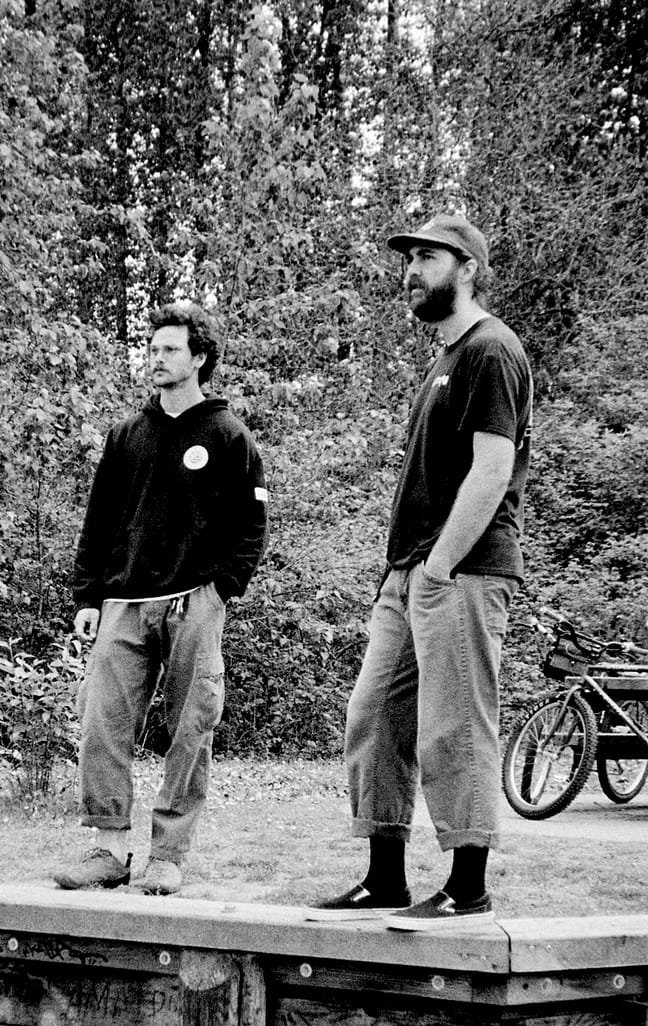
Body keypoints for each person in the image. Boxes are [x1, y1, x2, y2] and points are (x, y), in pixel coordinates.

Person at [307, 215, 532, 930]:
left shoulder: (491, 350)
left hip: (460, 572)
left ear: (467, 267)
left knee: (455, 726)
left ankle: (468, 888)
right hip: (409, 576)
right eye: (407, 259)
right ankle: (385, 880)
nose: (411, 271)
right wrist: (404, 574)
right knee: (373, 716)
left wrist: (438, 566)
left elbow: (493, 471)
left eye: (427, 258)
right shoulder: (442, 359)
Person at [51, 301, 269, 897]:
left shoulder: (227, 435)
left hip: (195, 600)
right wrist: (88, 595)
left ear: (199, 358)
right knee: (101, 722)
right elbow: (98, 523)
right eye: (152, 348)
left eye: (169, 349)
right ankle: (109, 848)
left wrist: (223, 588)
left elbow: (252, 525)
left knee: (191, 726)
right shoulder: (126, 437)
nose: (156, 358)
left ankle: (168, 856)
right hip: (123, 601)